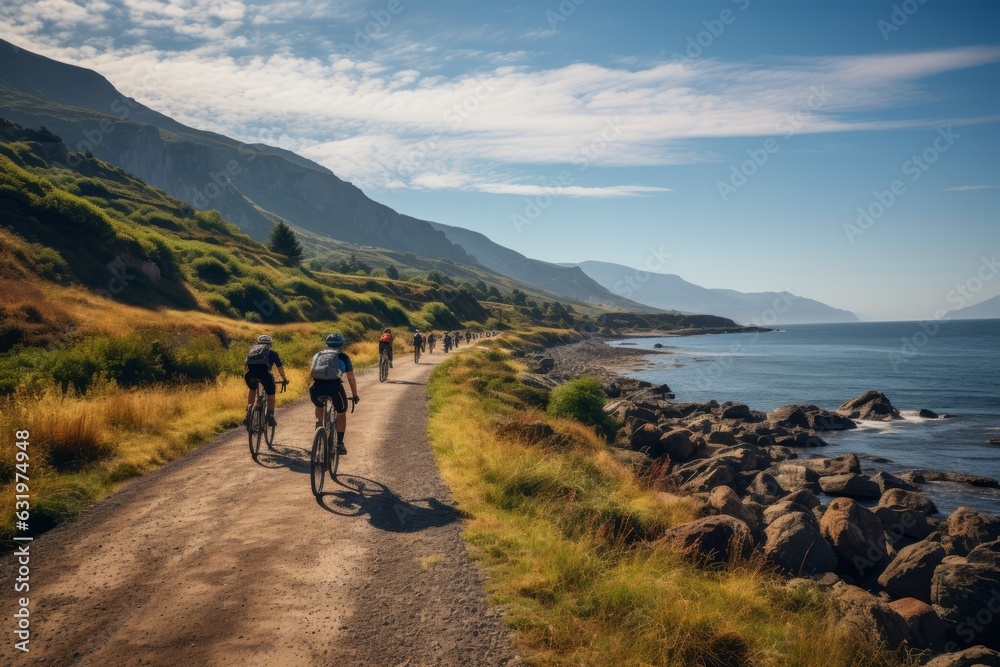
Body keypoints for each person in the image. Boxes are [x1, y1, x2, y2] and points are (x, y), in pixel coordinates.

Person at [309, 333, 359, 455]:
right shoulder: (342, 356)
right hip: (334, 388)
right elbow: (351, 377)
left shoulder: (318, 355)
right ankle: (340, 444)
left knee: (319, 405)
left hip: (316, 388)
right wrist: (355, 394)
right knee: (341, 413)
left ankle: (319, 428)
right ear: (341, 344)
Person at [244, 334, 288, 427]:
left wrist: (247, 376)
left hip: (250, 375)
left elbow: (246, 365)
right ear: (270, 344)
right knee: (271, 393)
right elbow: (280, 368)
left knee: (252, 389)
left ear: (258, 343)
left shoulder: (252, 351)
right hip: (265, 375)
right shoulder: (272, 353)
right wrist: (284, 379)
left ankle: (249, 410)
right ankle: (270, 416)